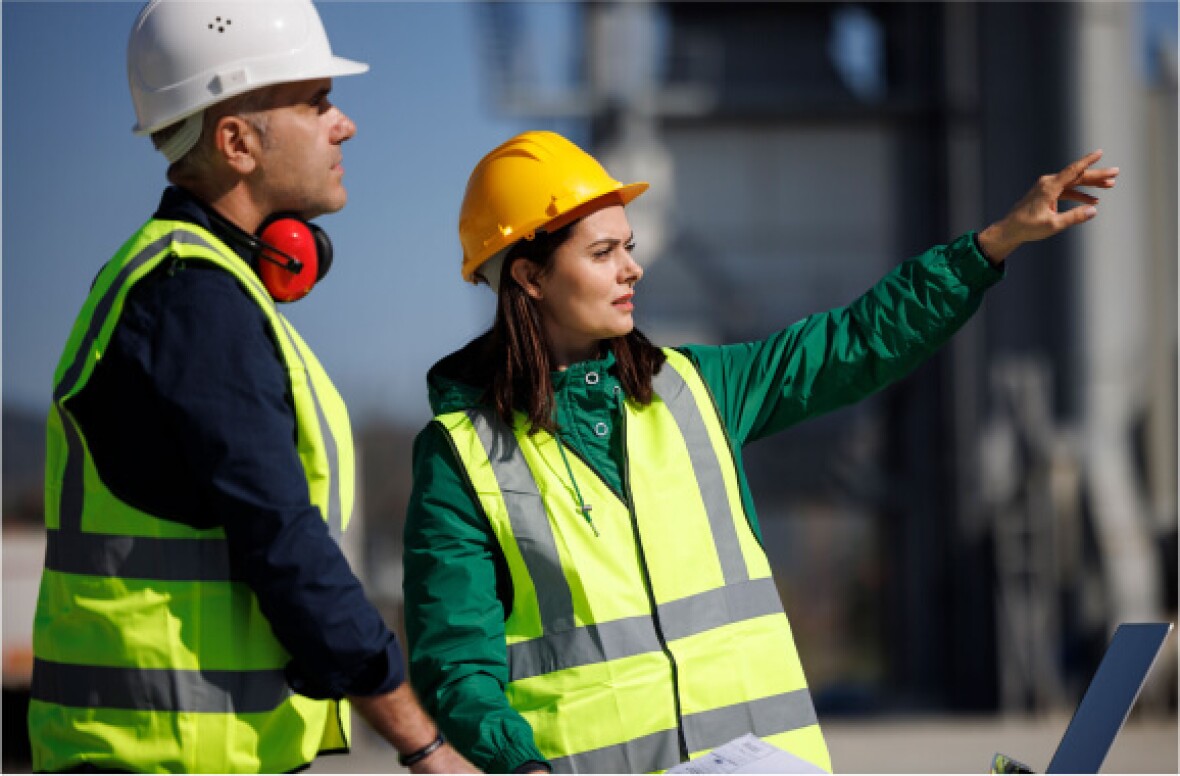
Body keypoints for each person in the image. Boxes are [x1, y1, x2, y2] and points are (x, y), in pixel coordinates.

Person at [401, 130, 1118, 774]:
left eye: (630, 246)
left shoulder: (695, 389)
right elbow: (457, 664)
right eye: (603, 252)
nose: (632, 270)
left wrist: (992, 245)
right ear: (529, 277)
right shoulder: (460, 457)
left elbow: (856, 341)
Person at [27, 1, 476, 772]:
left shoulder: (191, 284)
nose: (345, 126)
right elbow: (285, 544)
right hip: (170, 754)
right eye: (317, 102)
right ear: (235, 142)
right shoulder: (194, 302)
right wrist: (424, 743)